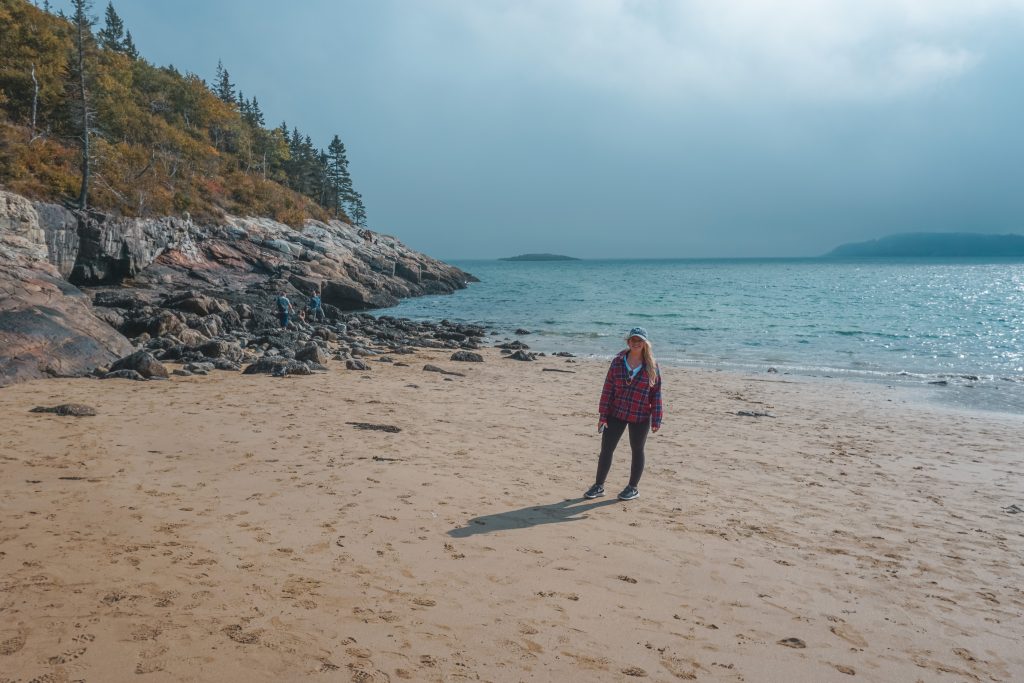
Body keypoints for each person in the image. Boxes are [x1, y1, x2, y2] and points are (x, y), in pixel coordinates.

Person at [584, 326, 663, 501]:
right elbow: (608, 389)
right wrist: (602, 415)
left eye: (639, 341)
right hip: (616, 412)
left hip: (641, 415)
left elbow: (656, 393)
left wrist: (657, 418)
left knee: (637, 450)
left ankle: (632, 488)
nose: (636, 343)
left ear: (645, 344)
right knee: (606, 449)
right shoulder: (617, 362)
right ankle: (598, 486)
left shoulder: (652, 365)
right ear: (628, 342)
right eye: (633, 340)